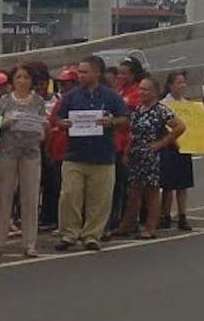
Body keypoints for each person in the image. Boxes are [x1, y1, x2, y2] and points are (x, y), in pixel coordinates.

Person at [52, 56, 129, 251]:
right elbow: (58, 118)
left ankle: (92, 235)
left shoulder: (111, 96)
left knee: (99, 199)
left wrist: (111, 122)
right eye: (80, 71)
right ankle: (69, 234)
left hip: (102, 155)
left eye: (85, 72)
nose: (81, 75)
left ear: (97, 73)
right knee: (69, 195)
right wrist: (63, 124)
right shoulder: (71, 96)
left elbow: (125, 118)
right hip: (75, 154)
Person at [114, 76, 186, 239]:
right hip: (135, 155)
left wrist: (162, 143)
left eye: (145, 89)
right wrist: (127, 152)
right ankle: (126, 225)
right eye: (140, 88)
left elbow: (180, 126)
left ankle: (150, 228)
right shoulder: (138, 109)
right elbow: (133, 134)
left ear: (155, 92)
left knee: (151, 193)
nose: (141, 92)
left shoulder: (160, 110)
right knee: (133, 193)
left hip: (152, 157)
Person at [0, 64, 47, 258]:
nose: (22, 81)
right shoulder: (5, 100)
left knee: (30, 197)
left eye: (26, 78)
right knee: (3, 196)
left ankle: (30, 242)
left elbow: (42, 127)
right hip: (8, 151)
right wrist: (5, 122)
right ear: (12, 81)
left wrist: (42, 127)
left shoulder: (38, 101)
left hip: (31, 152)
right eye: (18, 78)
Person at [107, 56, 144, 233]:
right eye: (119, 73)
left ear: (133, 75)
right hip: (115, 143)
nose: (121, 77)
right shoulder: (118, 91)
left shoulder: (136, 93)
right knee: (115, 185)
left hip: (128, 144)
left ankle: (128, 221)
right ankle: (115, 219)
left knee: (127, 186)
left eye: (125, 73)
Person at [41, 65, 77, 229]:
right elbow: (51, 125)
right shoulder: (60, 102)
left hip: (71, 152)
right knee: (55, 187)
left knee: (68, 190)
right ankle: (53, 219)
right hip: (56, 150)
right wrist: (47, 149)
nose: (63, 87)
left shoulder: (78, 102)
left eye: (66, 83)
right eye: (61, 84)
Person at [159, 70, 195, 231]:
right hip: (169, 147)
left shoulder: (188, 105)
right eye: (178, 83)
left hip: (184, 147)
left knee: (182, 185)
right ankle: (166, 216)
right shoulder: (163, 104)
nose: (181, 86)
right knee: (168, 185)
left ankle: (182, 216)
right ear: (170, 85)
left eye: (183, 82)